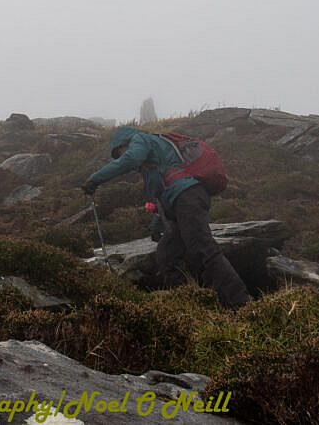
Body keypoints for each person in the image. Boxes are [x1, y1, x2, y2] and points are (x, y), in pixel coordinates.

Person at [82, 127, 250, 309]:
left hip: (187, 197)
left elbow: (131, 159)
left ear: (124, 143)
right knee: (167, 255)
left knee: (203, 249)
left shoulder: (140, 139)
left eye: (119, 152)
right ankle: (193, 304)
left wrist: (95, 179)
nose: (121, 156)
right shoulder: (151, 167)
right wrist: (157, 225)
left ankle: (241, 303)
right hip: (181, 201)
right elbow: (163, 195)